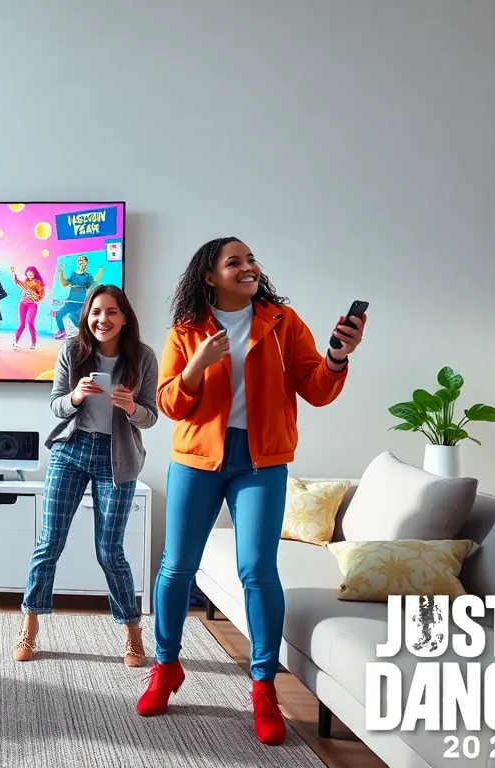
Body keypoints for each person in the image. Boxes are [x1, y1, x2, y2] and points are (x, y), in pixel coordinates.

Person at [139, 237, 365, 746]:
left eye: (251, 259)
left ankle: (264, 688)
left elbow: (316, 389)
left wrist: (336, 356)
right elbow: (170, 404)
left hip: (262, 461)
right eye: (234, 262)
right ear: (210, 275)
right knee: (176, 567)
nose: (249, 267)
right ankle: (166, 667)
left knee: (258, 571)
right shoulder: (186, 330)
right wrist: (197, 364)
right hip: (198, 460)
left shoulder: (283, 323)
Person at [15, 285, 158, 667]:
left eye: (111, 312)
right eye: (96, 312)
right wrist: (76, 396)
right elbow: (56, 405)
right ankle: (29, 625)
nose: (102, 319)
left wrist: (131, 407)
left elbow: (151, 415)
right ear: (86, 316)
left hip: (117, 458)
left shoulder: (143, 357)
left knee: (110, 550)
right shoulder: (72, 351)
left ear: (124, 318)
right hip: (71, 452)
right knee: (49, 543)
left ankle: (132, 630)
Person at [53, 255, 103, 339]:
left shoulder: (88, 276)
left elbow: (93, 283)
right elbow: (64, 284)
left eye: (83, 260)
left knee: (74, 319)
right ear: (77, 262)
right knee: (58, 315)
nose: (81, 262)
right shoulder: (73, 275)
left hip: (80, 303)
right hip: (70, 301)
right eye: (79, 260)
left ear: (86, 262)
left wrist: (99, 272)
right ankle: (62, 331)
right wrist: (60, 272)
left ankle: (86, 335)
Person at [10, 265, 46, 349]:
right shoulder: (25, 282)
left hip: (32, 304)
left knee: (30, 323)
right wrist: (13, 273)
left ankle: (33, 343)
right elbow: (17, 281)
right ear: (26, 274)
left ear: (34, 273)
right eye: (28, 272)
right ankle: (15, 341)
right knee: (22, 324)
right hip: (23, 304)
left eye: (31, 272)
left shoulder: (37, 283)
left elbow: (42, 293)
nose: (29, 274)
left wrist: (37, 301)